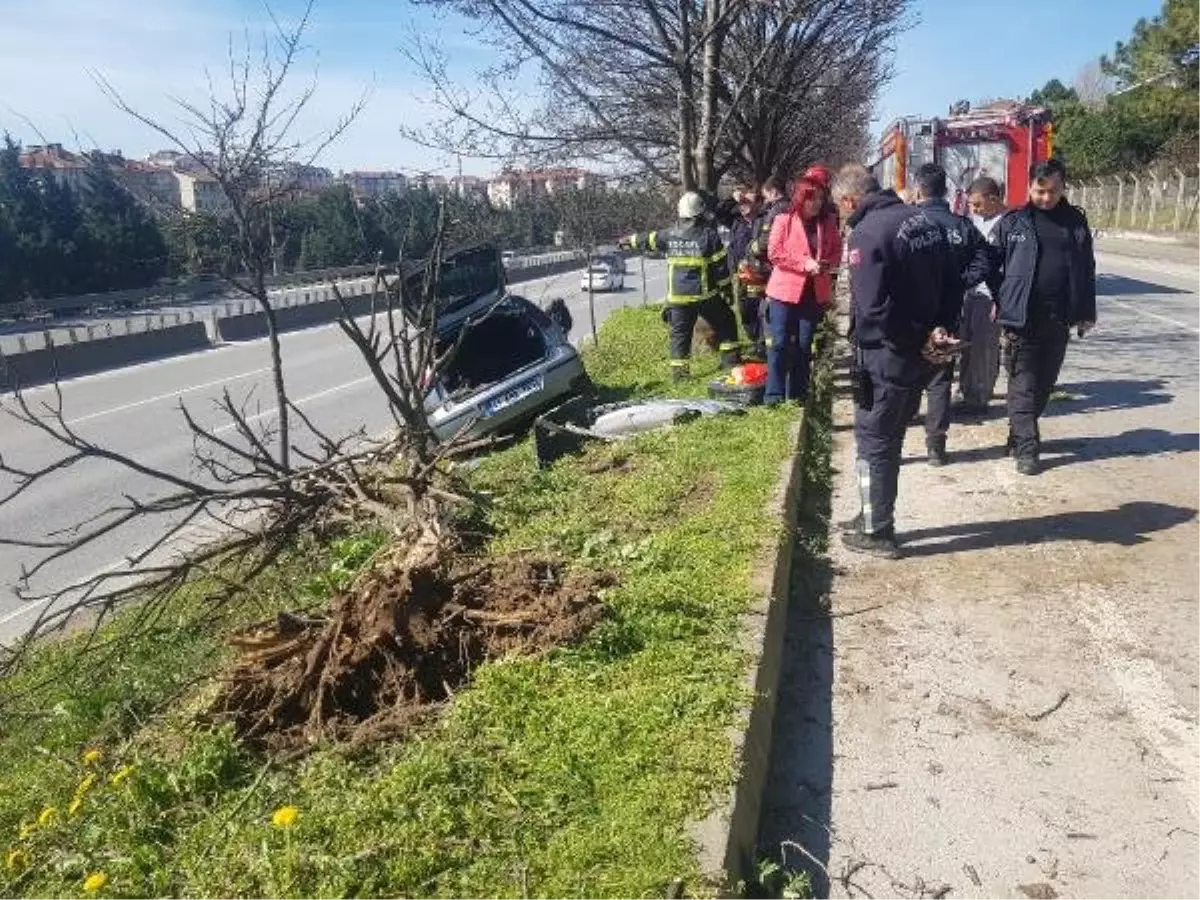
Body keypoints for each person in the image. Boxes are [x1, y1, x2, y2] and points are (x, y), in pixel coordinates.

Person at [833, 164, 962, 558]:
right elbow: (952, 281)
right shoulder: (924, 222)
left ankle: (877, 530)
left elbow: (874, 310)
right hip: (918, 354)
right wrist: (937, 331)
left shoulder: (868, 233)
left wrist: (916, 339)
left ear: (849, 200)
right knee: (890, 437)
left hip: (888, 356)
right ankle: (872, 513)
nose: (841, 215)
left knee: (875, 440)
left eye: (840, 208)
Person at [988, 158, 1096, 475]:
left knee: (1044, 387)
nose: (1046, 197)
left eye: (1053, 191)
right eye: (1040, 191)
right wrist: (1001, 297)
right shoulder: (1014, 222)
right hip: (1022, 319)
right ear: (1029, 187)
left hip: (1059, 317)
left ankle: (1018, 431)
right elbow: (990, 263)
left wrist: (1086, 311)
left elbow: (1086, 268)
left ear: (1063, 187)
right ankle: (1027, 449)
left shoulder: (1075, 222)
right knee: (1022, 384)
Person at [911, 163, 993, 465]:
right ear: (945, 191)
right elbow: (986, 259)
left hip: (912, 311)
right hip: (948, 311)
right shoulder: (962, 226)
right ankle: (936, 445)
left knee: (908, 368)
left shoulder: (909, 223)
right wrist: (962, 281)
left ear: (918, 189)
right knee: (939, 377)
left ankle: (904, 419)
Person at [621, 192, 741, 380]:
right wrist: (726, 290)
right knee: (726, 321)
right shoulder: (709, 236)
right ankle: (730, 361)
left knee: (680, 335)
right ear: (700, 212)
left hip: (677, 298)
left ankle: (680, 376)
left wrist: (628, 240)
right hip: (704, 295)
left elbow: (649, 239)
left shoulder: (669, 234)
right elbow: (721, 268)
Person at [763, 170, 842, 405]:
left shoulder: (827, 222)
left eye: (819, 198)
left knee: (805, 345)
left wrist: (826, 264)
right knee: (779, 343)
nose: (816, 203)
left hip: (813, 293)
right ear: (800, 198)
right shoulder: (783, 220)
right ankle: (774, 395)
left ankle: (798, 394)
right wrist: (804, 264)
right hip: (784, 292)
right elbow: (775, 253)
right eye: (811, 198)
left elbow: (837, 250)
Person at [959, 176, 1007, 412]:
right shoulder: (977, 221)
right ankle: (967, 390)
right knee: (967, 343)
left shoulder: (1006, 224)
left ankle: (979, 396)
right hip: (972, 293)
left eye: (977, 204)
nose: (974, 209)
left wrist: (1000, 297)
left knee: (984, 346)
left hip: (990, 296)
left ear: (994, 199)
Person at [727, 187, 764, 356]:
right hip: (742, 277)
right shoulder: (736, 222)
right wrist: (732, 198)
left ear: (757, 203)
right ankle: (755, 341)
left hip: (761, 276)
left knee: (761, 311)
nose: (743, 206)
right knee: (746, 313)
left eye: (747, 202)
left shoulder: (763, 221)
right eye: (741, 203)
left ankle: (762, 345)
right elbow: (718, 210)